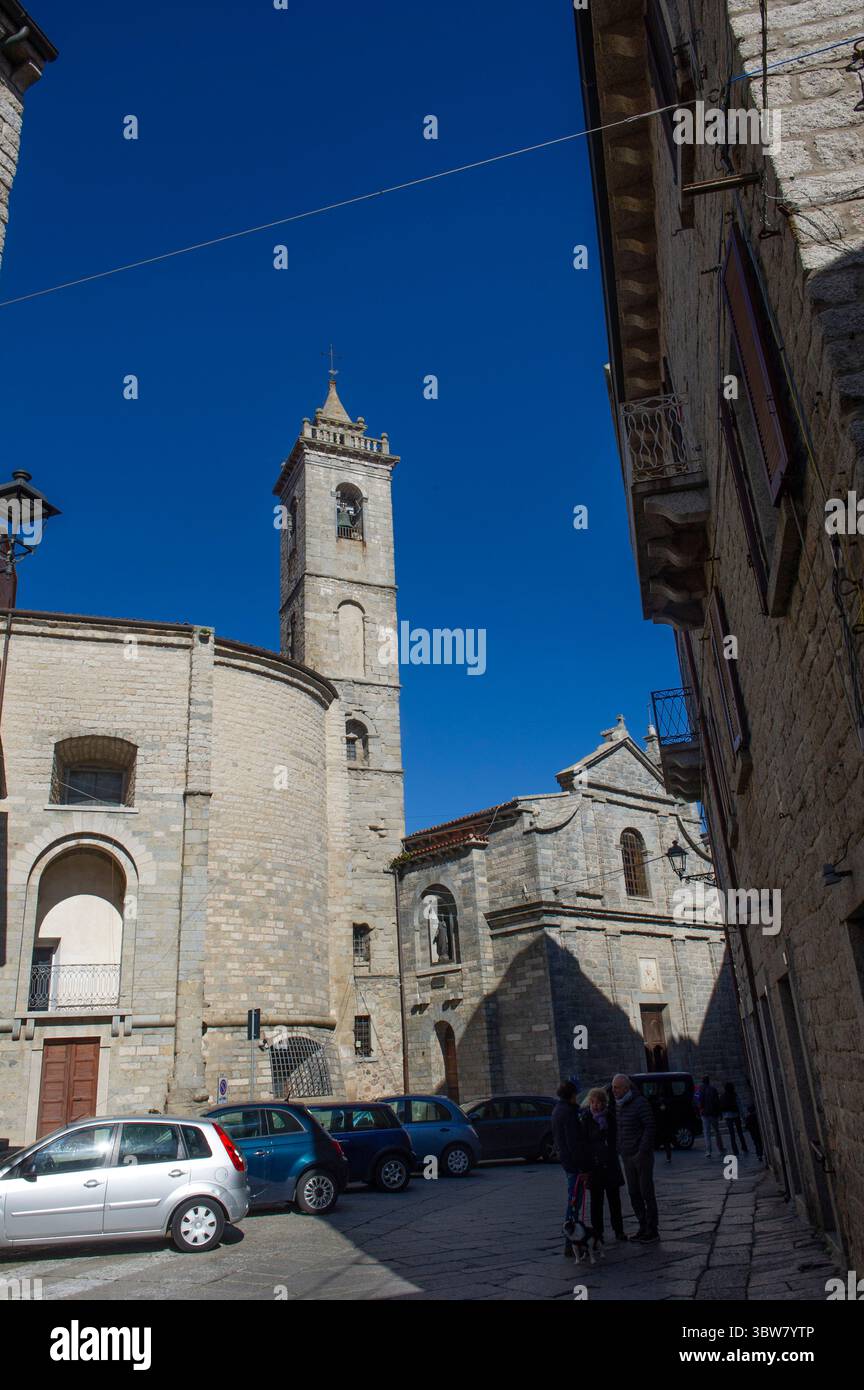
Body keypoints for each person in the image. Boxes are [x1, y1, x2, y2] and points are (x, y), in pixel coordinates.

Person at [612, 1073, 658, 1243]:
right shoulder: (619, 1105)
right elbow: (620, 1128)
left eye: (617, 1087)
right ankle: (642, 1226)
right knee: (633, 1192)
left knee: (646, 1192)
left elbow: (650, 1126)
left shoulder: (640, 1103)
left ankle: (652, 1230)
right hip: (627, 1155)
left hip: (641, 1156)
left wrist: (642, 1150)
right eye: (613, 1087)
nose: (614, 1091)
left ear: (626, 1088)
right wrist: (620, 1147)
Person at [551, 1081, 592, 1258]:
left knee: (573, 1202)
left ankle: (573, 1241)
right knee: (574, 1204)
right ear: (572, 1095)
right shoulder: (568, 1113)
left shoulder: (558, 1110)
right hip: (574, 1165)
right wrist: (582, 1167)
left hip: (567, 1163)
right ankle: (571, 1241)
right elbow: (573, 1143)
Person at [580, 1087, 627, 1241]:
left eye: (599, 1102)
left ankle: (618, 1230)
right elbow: (585, 1142)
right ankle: (598, 1232)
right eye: (593, 1102)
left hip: (610, 1163)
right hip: (595, 1166)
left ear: (604, 1103)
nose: (596, 1105)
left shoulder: (610, 1117)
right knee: (596, 1202)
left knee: (614, 1200)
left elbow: (615, 1139)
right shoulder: (586, 1118)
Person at [699, 1075, 723, 1159]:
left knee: (707, 1133)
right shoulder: (713, 1089)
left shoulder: (701, 1089)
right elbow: (717, 1102)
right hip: (713, 1113)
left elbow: (700, 1100)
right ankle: (720, 1149)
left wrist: (701, 1109)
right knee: (717, 1131)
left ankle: (708, 1151)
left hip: (705, 1114)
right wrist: (720, 1113)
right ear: (709, 1081)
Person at [721, 1082, 748, 1156]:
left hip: (727, 1116)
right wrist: (743, 1117)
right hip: (736, 1115)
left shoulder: (723, 1096)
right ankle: (744, 1147)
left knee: (732, 1134)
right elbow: (740, 1106)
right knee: (740, 1133)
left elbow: (721, 1107)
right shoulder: (735, 1095)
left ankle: (735, 1150)